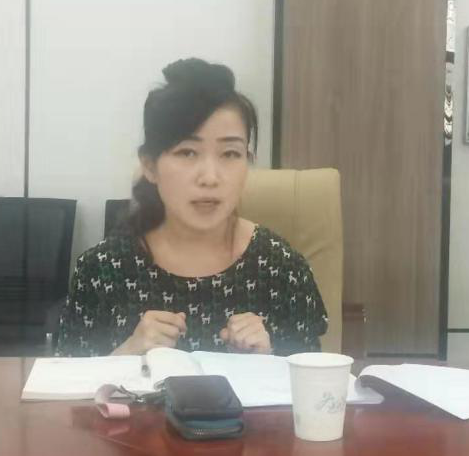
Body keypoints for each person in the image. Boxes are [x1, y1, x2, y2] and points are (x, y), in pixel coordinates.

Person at [56, 58, 327, 357]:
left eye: (230, 153)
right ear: (150, 166)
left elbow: (316, 382)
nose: (210, 177)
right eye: (187, 152)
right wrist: (126, 354)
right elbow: (64, 383)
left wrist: (268, 359)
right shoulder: (102, 270)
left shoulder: (282, 268)